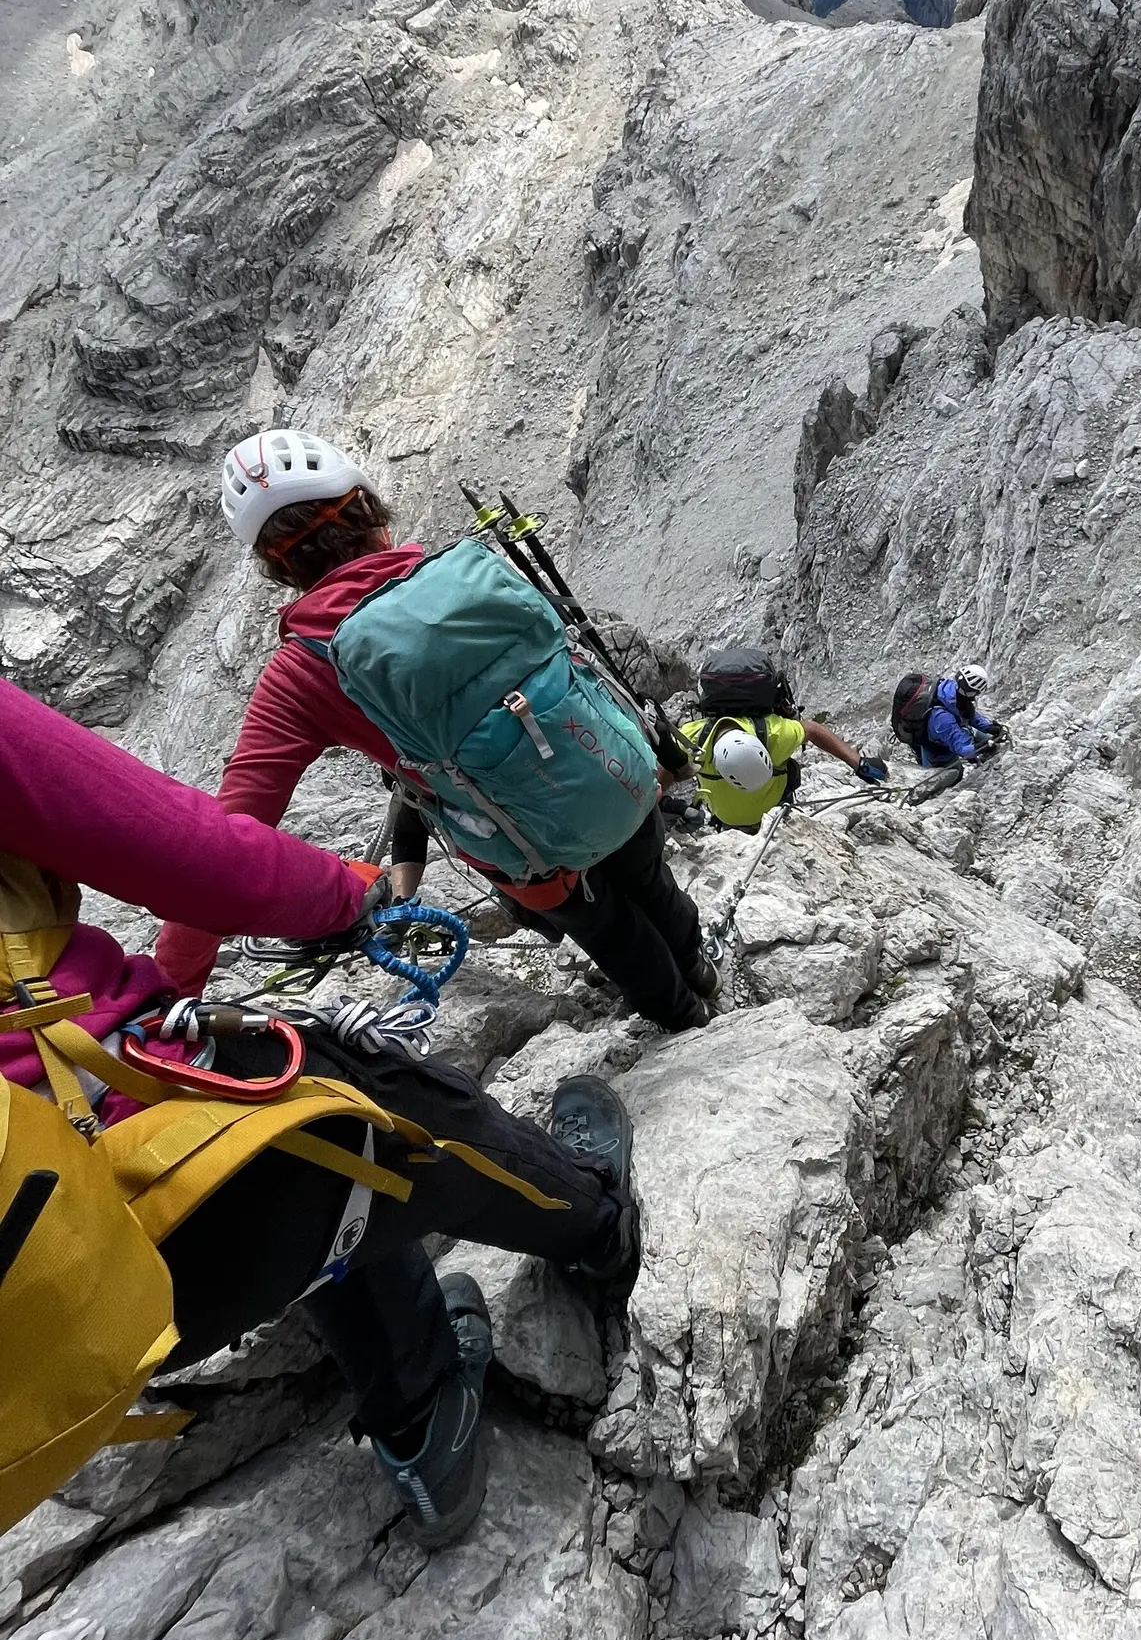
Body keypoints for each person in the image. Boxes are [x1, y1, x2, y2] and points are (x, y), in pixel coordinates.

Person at [2, 672, 638, 1545]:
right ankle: (595, 1221)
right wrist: (347, 895)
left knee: (332, 1175)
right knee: (389, 1110)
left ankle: (423, 1421)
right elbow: (171, 843)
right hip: (137, 1176)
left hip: (51, 1324)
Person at [155, 431, 717, 1034]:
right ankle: (706, 979)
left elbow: (227, 842)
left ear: (277, 567)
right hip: (607, 772)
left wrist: (165, 997)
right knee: (652, 883)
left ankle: (688, 1024)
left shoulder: (301, 672)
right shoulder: (463, 571)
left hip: (528, 850)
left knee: (613, 933)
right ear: (371, 512)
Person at [680, 667, 888, 834]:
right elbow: (813, 730)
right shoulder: (775, 735)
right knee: (791, 769)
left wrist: (668, 805)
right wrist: (858, 763)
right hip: (775, 812)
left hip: (725, 817)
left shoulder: (692, 741)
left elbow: (667, 771)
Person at [896, 665, 1000, 768]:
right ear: (972, 692)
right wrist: (981, 748)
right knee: (956, 773)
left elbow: (967, 712)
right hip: (935, 749)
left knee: (982, 737)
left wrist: (988, 727)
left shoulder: (952, 688)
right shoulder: (942, 718)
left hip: (943, 731)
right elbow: (962, 748)